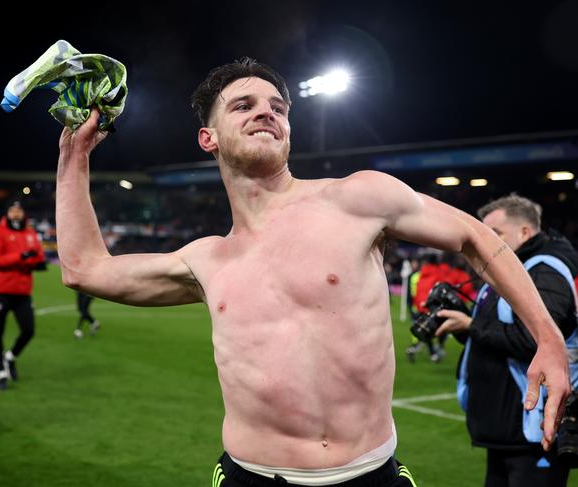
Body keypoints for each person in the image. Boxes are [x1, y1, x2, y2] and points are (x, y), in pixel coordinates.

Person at [55, 58, 570, 486]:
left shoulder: (357, 198)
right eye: (244, 105)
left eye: (277, 108)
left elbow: (477, 236)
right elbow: (85, 269)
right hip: (251, 475)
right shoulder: (205, 259)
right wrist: (74, 156)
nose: (266, 113)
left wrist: (547, 339)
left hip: (370, 473)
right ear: (207, 139)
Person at [436, 194, 578, 487]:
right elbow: (500, 336)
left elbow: (536, 341)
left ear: (525, 232)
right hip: (507, 429)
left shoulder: (544, 270)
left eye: (495, 234)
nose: (486, 241)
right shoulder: (515, 269)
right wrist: (464, 328)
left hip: (533, 429)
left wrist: (473, 325)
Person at [0, 200, 46, 390]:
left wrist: (34, 261)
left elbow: (38, 256)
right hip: (1, 290)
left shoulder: (30, 233)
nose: (16, 214)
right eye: (12, 210)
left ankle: (10, 357)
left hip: (22, 291)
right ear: (7, 212)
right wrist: (21, 257)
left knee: (29, 331)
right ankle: (1, 373)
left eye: (19, 210)